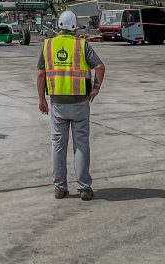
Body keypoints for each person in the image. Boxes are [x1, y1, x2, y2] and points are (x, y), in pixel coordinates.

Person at [37, 10, 106, 201]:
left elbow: (41, 74)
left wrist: (42, 99)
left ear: (59, 26)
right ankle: (84, 188)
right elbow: (99, 67)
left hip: (58, 103)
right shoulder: (82, 45)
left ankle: (60, 188)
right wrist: (96, 88)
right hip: (80, 102)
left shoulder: (48, 45)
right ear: (75, 27)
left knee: (58, 144)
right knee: (81, 143)